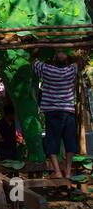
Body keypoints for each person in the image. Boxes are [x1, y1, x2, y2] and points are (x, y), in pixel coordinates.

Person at [32, 49, 78, 179]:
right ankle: (68, 172)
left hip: (52, 112)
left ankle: (57, 172)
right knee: (69, 142)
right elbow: (76, 60)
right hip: (68, 112)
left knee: (52, 141)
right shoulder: (72, 70)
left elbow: (34, 61)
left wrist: (37, 50)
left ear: (53, 60)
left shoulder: (47, 69)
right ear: (67, 61)